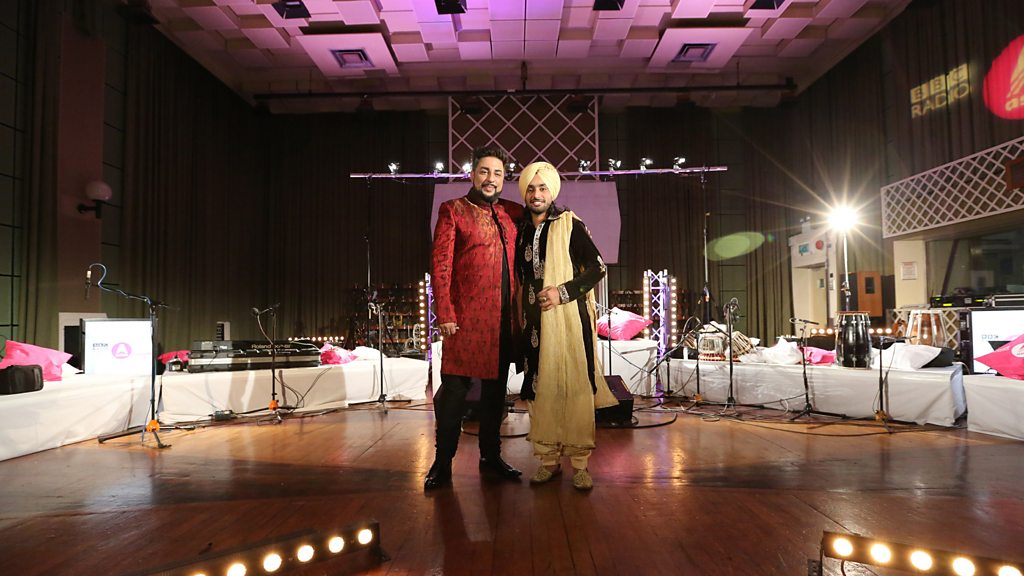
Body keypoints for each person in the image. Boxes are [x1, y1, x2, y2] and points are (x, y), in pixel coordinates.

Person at [514, 161, 618, 491]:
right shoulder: (520, 231)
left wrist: (562, 293)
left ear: (552, 192)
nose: (536, 194)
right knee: (541, 389)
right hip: (534, 322)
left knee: (574, 387)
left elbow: (598, 268)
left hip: (569, 319)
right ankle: (547, 461)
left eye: (543, 188)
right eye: (531, 188)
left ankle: (580, 463)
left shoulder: (570, 224)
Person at [425, 146, 524, 490]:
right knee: (454, 392)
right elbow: (440, 266)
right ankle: (442, 462)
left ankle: (490, 457)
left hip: (503, 321)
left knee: (496, 393)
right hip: (465, 320)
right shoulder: (453, 210)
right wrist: (445, 312)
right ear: (472, 174)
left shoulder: (513, 212)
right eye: (484, 171)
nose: (490, 179)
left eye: (497, 173)